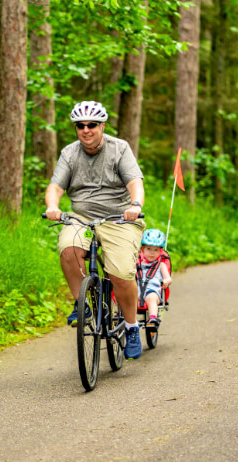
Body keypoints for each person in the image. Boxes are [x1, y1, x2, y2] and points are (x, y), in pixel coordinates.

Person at [44, 101, 146, 359]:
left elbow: (135, 182)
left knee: (121, 272)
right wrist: (53, 206)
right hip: (80, 215)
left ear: (102, 126)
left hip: (118, 217)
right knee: (68, 249)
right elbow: (56, 187)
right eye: (81, 126)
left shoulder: (119, 148)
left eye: (92, 125)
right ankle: (83, 305)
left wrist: (135, 204)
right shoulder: (69, 153)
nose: (86, 130)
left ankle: (132, 327)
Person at [137, 229, 172, 328]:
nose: (152, 253)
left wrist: (166, 281)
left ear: (160, 251)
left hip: (152, 291)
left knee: (151, 298)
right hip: (136, 290)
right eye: (148, 249)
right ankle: (123, 318)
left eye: (156, 250)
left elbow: (168, 278)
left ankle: (153, 318)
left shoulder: (161, 265)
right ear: (142, 249)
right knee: (126, 295)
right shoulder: (136, 262)